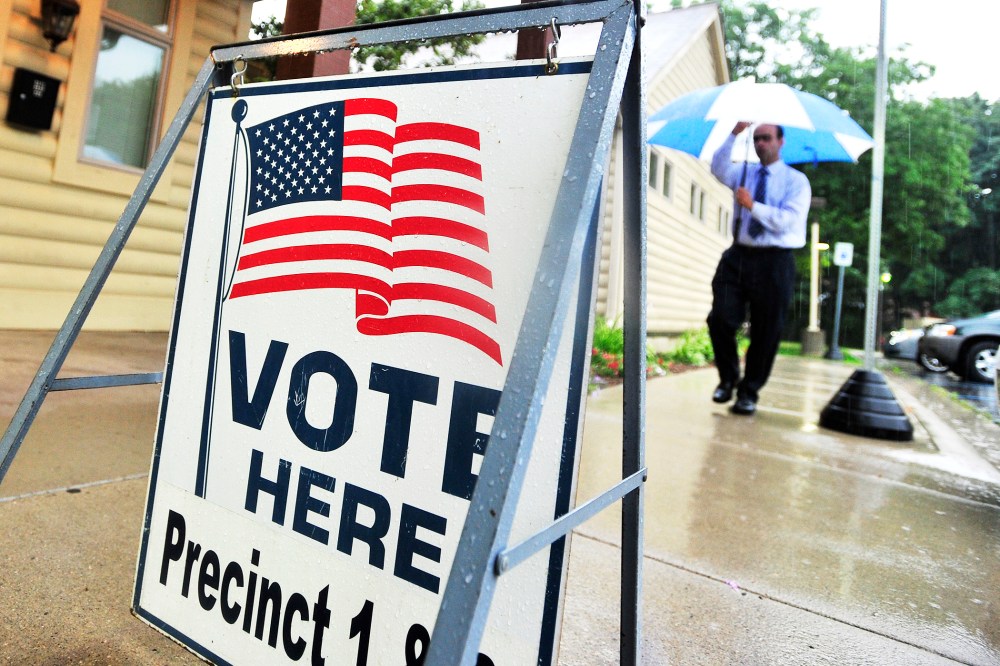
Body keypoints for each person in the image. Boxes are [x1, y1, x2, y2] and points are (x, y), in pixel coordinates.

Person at [707, 122, 811, 415]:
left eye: (766, 138)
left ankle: (749, 393)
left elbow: (788, 221)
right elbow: (717, 167)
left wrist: (753, 207)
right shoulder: (744, 173)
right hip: (739, 256)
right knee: (721, 319)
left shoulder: (796, 181)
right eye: (756, 139)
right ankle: (728, 379)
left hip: (776, 261)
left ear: (781, 141)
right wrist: (733, 134)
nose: (760, 143)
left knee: (767, 331)